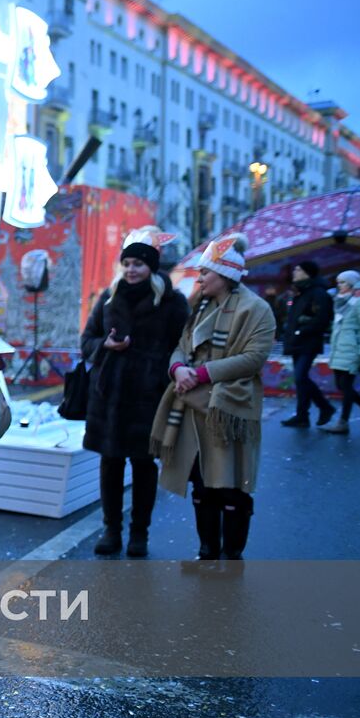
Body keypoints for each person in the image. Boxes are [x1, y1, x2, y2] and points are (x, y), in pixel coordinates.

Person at [150, 235, 274, 560]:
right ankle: (207, 552)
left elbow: (254, 358)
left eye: (206, 272)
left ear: (226, 274)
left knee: (231, 486)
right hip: (192, 405)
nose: (200, 278)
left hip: (229, 408)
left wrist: (202, 374)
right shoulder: (201, 306)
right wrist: (178, 368)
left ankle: (232, 556)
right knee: (202, 485)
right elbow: (182, 344)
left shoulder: (256, 309)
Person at [79, 239, 188, 557]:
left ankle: (139, 533)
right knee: (110, 463)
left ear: (151, 268)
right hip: (109, 396)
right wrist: (104, 347)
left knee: (144, 466)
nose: (131, 270)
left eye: (137, 264)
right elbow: (87, 340)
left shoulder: (172, 303)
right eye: (126, 264)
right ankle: (111, 530)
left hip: (149, 396)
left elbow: (184, 347)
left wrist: (164, 373)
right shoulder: (109, 298)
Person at [322, 270, 360, 434]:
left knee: (346, 385)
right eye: (338, 282)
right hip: (339, 349)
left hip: (351, 349)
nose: (339, 285)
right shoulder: (342, 301)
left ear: (351, 284)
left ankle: (343, 422)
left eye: (342, 282)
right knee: (342, 385)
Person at [280, 261, 335, 427]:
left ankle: (324, 407)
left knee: (300, 376)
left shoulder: (318, 293)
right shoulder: (300, 291)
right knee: (300, 379)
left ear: (307, 273)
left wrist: (301, 331)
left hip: (308, 342)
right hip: (298, 342)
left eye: (298, 269)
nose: (295, 272)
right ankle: (302, 415)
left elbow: (323, 318)